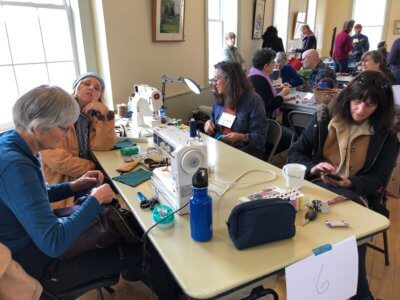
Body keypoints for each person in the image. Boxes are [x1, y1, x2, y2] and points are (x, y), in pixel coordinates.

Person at [0, 85, 180, 298]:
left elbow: (33, 196)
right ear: (39, 127)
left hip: (34, 244)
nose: (67, 134)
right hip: (42, 268)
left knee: (129, 229)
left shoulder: (12, 143)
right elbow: (53, 243)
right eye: (64, 128)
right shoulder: (15, 165)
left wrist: (73, 186)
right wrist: (94, 201)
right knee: (146, 249)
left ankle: (132, 269)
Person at [288, 71, 397, 300]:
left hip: (355, 195)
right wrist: (313, 167)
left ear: (380, 107)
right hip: (316, 186)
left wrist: (351, 182)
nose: (360, 110)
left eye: (370, 106)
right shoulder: (324, 118)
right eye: (357, 102)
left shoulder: (386, 137)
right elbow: (296, 153)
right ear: (348, 97)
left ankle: (355, 294)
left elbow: (378, 179)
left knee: (351, 234)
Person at [40, 72, 116, 208]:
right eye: (86, 83)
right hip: (64, 183)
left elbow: (104, 146)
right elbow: (57, 160)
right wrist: (93, 167)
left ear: (99, 96)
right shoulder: (57, 113)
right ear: (75, 88)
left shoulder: (94, 115)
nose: (92, 88)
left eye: (97, 88)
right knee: (111, 198)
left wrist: (105, 114)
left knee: (118, 187)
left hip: (86, 175)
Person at [204, 61, 266, 159]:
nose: (213, 83)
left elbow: (260, 139)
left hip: (244, 153)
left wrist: (241, 137)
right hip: (221, 149)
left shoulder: (254, 101)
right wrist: (208, 123)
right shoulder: (220, 98)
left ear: (229, 79)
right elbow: (212, 119)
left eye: (216, 79)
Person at [248, 48, 293, 156]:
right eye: (273, 62)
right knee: (291, 136)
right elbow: (270, 104)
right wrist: (283, 94)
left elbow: (266, 95)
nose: (274, 64)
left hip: (257, 122)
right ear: (265, 66)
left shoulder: (255, 76)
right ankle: (266, 156)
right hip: (262, 124)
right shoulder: (259, 80)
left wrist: (277, 90)